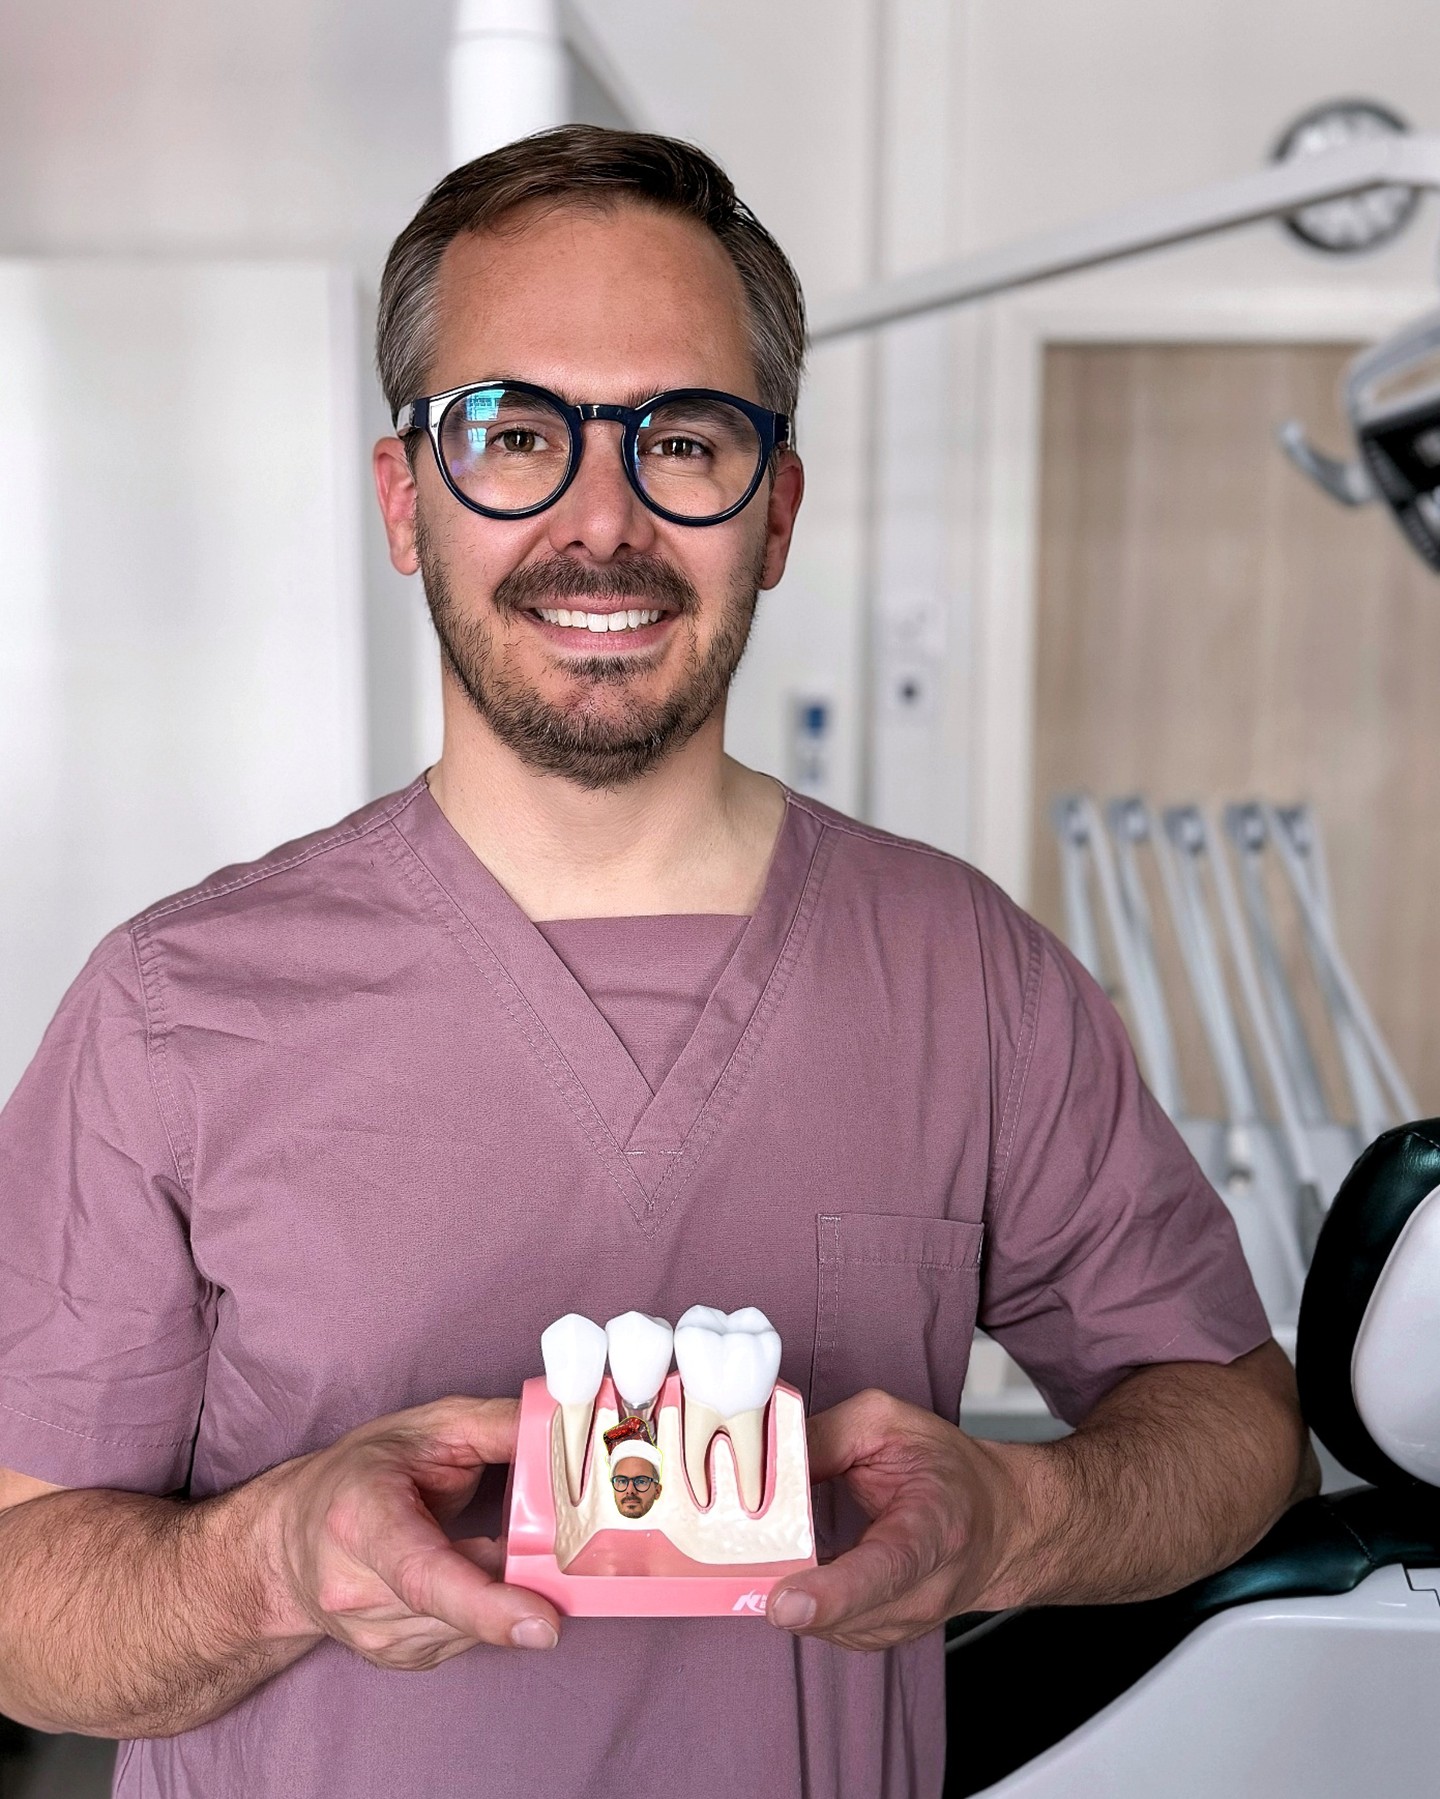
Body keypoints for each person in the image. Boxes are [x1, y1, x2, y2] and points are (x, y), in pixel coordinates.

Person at [0, 126, 1313, 1798]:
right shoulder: (174, 1012)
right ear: (409, 500)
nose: (599, 521)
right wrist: (265, 1564)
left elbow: (1228, 1422)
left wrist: (1021, 1522)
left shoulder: (964, 976)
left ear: (775, 505)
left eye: (682, 438)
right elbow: (21, 1597)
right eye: (513, 433)